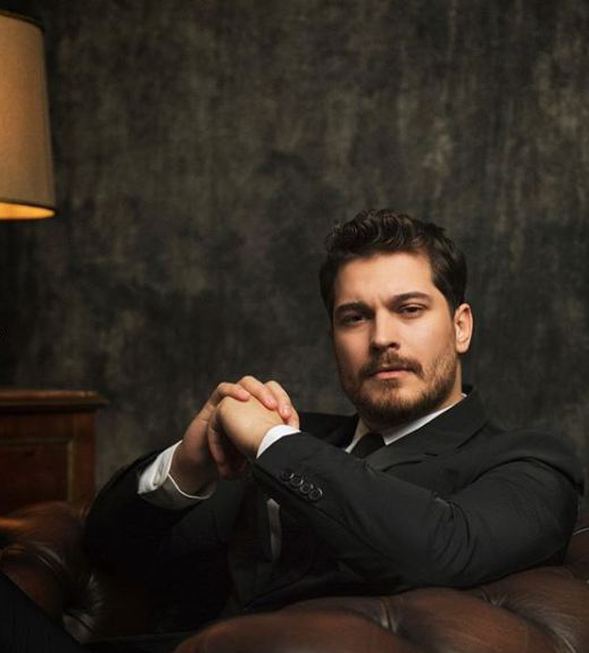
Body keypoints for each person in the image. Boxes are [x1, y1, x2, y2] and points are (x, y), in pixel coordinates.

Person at [3, 210, 580, 652]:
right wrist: (186, 466)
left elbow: (441, 551)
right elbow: (107, 545)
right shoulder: (301, 435)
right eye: (355, 317)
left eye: (409, 309)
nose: (382, 338)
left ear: (461, 327)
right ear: (334, 339)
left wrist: (271, 444)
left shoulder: (529, 460)